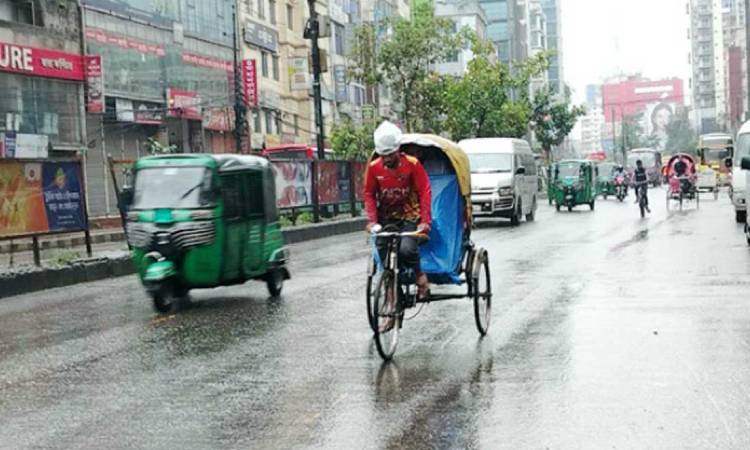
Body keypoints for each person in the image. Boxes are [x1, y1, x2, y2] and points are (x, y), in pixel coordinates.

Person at [364, 121, 432, 300]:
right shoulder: (374, 168)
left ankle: (420, 276)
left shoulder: (412, 164)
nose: (387, 159)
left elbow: (425, 191)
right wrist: (372, 221)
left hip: (410, 215)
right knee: (381, 247)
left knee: (407, 249)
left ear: (398, 150)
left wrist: (425, 221)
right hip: (386, 217)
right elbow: (369, 194)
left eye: (390, 155)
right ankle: (392, 291)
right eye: (383, 155)